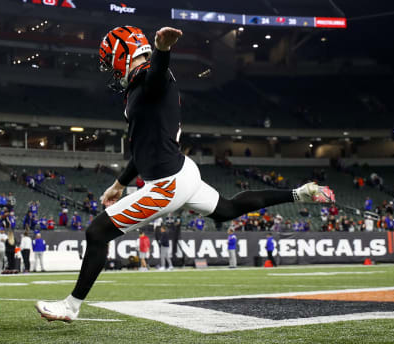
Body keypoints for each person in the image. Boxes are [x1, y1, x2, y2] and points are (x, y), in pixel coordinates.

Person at [36, 25, 334, 322]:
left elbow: (156, 77)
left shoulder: (149, 76)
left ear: (121, 56)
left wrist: (163, 50)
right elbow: (144, 149)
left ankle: (71, 306)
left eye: (108, 62)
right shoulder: (141, 85)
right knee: (227, 209)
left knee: (97, 232)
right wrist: (119, 184)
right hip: (182, 171)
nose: (108, 71)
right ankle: (300, 193)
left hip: (167, 183)